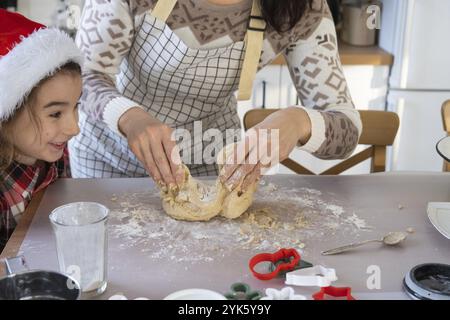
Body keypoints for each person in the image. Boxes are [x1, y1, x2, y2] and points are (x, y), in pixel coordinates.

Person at [72, 0, 362, 190]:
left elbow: (347, 130)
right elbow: (83, 77)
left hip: (209, 165)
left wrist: (298, 122)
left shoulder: (303, 9)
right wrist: (128, 117)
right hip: (107, 160)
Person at [0, 9, 83, 251]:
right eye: (55, 113)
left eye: (76, 106)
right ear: (7, 113)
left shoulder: (54, 153)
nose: (74, 128)